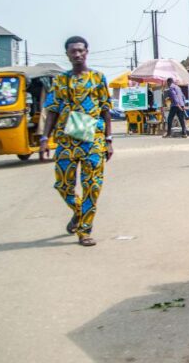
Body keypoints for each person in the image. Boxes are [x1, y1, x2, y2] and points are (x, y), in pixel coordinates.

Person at [39, 36, 113, 247]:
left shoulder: (98, 78)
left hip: (93, 140)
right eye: (73, 51)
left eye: (81, 50)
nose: (78, 54)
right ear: (68, 55)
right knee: (63, 185)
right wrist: (45, 138)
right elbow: (52, 111)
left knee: (92, 186)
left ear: (87, 51)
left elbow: (106, 109)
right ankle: (79, 212)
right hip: (66, 139)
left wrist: (108, 139)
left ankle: (85, 231)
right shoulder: (61, 81)